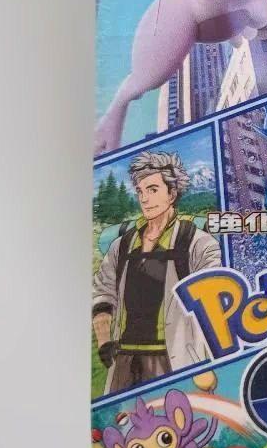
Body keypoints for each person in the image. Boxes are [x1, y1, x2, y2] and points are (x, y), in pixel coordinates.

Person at [92, 151, 220, 394]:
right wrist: (104, 341)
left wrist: (206, 362)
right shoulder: (122, 245)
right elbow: (103, 291)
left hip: (172, 360)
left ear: (172, 194)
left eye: (152, 190)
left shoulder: (198, 243)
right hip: (124, 361)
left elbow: (214, 302)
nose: (145, 199)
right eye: (140, 191)